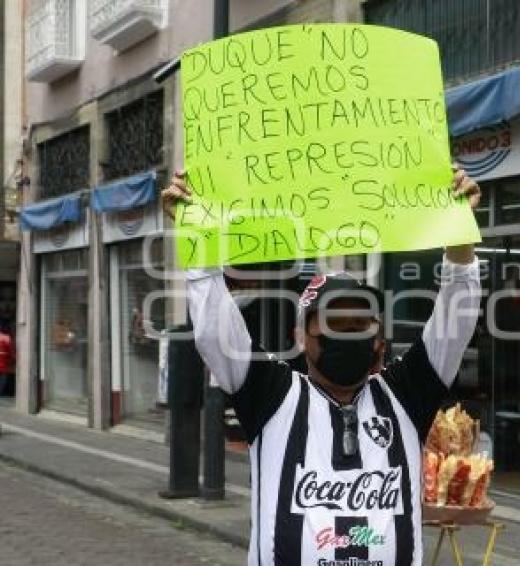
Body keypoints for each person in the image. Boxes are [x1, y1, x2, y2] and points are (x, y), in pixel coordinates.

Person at [162, 166, 481, 566]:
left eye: (359, 324)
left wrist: (459, 230)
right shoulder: (271, 393)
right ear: (301, 337)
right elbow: (213, 328)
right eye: (332, 322)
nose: (348, 333)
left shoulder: (405, 393)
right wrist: (195, 233)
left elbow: (458, 312)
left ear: (379, 337)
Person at [0, 325, 14, 396]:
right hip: (4, 361)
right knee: (3, 377)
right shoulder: (7, 337)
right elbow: (10, 350)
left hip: (3, 360)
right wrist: (12, 358)